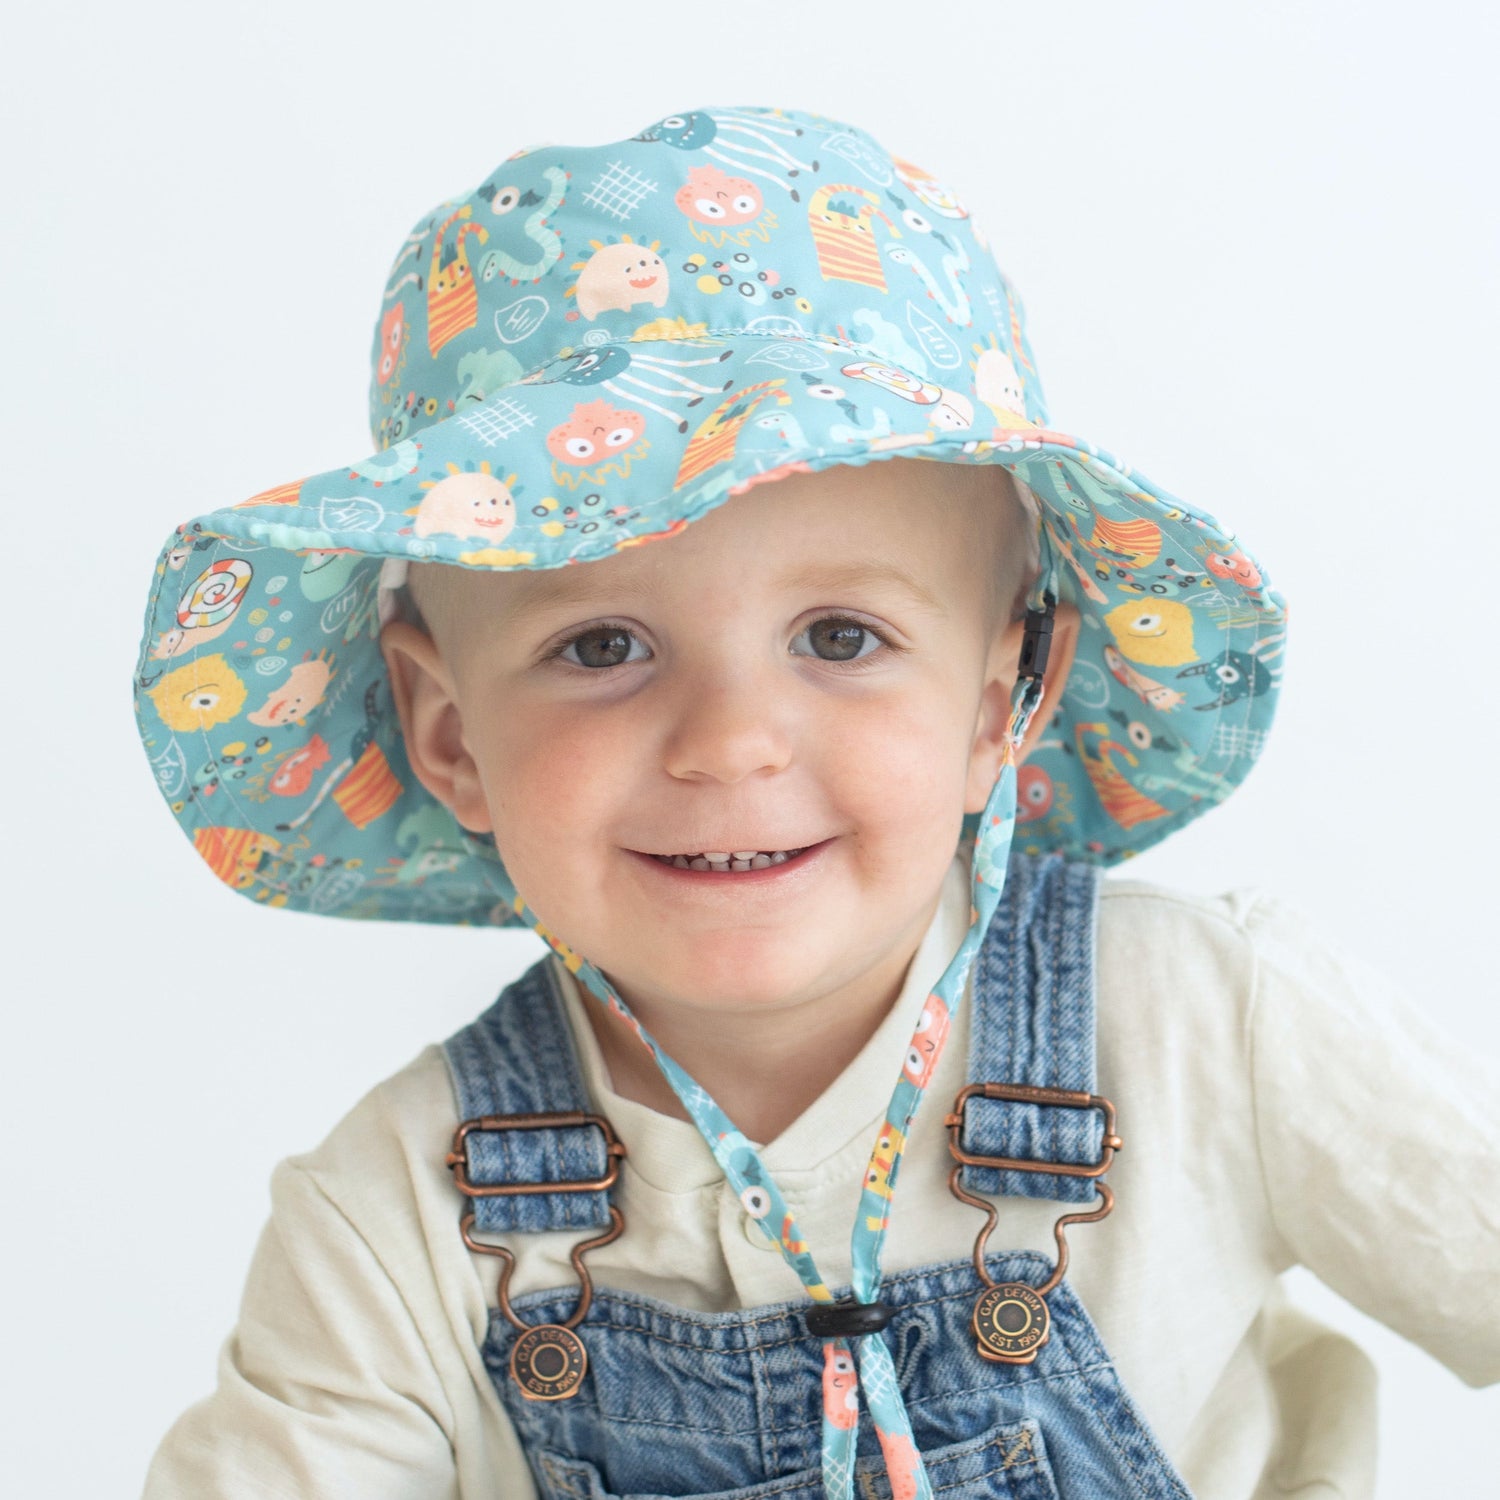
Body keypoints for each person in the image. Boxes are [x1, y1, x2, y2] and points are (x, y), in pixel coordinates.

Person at [132, 103, 1498, 1499]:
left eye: (840, 637)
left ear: (1001, 701)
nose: (730, 745)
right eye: (601, 647)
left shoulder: (1201, 1029)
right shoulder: (401, 1223)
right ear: (449, 733)